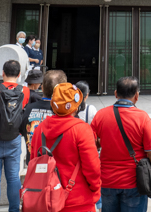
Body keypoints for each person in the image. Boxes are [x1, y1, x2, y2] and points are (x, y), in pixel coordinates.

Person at [91, 76, 151, 212]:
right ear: (137, 96)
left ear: (115, 94)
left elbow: (91, 145)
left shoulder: (100, 115)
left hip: (107, 181)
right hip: (135, 182)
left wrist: (103, 141)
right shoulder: (142, 117)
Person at [31, 83, 101, 212]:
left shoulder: (39, 129)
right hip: (78, 199)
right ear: (76, 106)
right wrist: (96, 188)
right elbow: (92, 167)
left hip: (46, 199)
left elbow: (33, 161)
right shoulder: (82, 129)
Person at [0, 60, 30, 212]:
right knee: (14, 178)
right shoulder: (25, 91)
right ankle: (14, 210)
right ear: (19, 74)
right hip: (13, 138)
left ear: (2, 73)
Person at [20, 69, 67, 165]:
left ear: (42, 87)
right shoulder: (63, 112)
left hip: (33, 165)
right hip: (57, 167)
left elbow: (22, 129)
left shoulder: (29, 108)